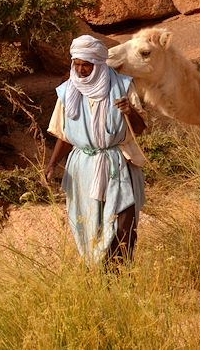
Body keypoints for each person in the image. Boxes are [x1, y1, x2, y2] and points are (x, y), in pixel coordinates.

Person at [45, 34, 148, 268]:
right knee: (90, 225)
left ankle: (122, 275)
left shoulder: (122, 86)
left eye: (86, 65)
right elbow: (65, 135)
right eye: (77, 64)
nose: (81, 70)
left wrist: (129, 111)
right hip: (84, 166)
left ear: (99, 64)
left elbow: (140, 129)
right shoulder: (67, 92)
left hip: (116, 163)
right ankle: (99, 277)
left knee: (124, 223)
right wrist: (52, 165)